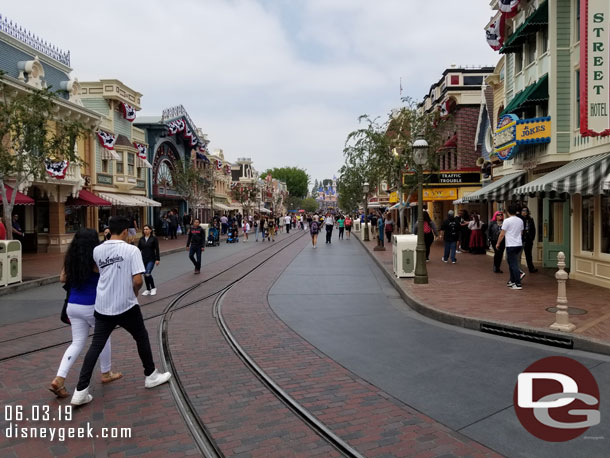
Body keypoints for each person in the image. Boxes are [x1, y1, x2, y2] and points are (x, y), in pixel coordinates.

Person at [71, 216, 171, 405]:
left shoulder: (97, 250)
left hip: (102, 306)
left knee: (96, 346)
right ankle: (150, 375)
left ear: (109, 230)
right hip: (126, 305)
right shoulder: (131, 250)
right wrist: (134, 293)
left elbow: (97, 270)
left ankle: (80, 390)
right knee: (141, 337)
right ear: (125, 231)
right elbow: (138, 280)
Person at [49, 229, 121, 399]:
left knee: (77, 342)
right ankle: (106, 372)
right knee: (103, 338)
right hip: (92, 305)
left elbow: (62, 278)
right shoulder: (95, 258)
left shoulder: (71, 258)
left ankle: (59, 378)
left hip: (73, 305)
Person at [496, 205, 524, 290]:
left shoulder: (507, 221)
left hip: (511, 245)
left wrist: (498, 243)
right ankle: (512, 280)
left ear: (508, 212)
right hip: (518, 244)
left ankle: (518, 283)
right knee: (512, 263)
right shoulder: (520, 220)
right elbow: (521, 232)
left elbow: (502, 234)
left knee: (513, 264)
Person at [138, 225, 160, 296]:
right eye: (144, 229)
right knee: (145, 275)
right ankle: (148, 289)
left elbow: (157, 249)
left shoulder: (154, 238)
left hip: (151, 259)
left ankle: (153, 288)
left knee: (147, 273)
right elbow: (138, 250)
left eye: (147, 229)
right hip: (143, 259)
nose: (145, 230)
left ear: (150, 230)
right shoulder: (141, 239)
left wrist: (157, 259)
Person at [521, 207, 538, 273]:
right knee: (518, 255)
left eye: (526, 211)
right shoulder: (519, 219)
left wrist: (532, 238)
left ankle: (531, 268)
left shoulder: (530, 219)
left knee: (528, 254)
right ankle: (518, 269)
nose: (524, 212)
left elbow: (533, 229)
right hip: (521, 239)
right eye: (523, 210)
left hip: (528, 239)